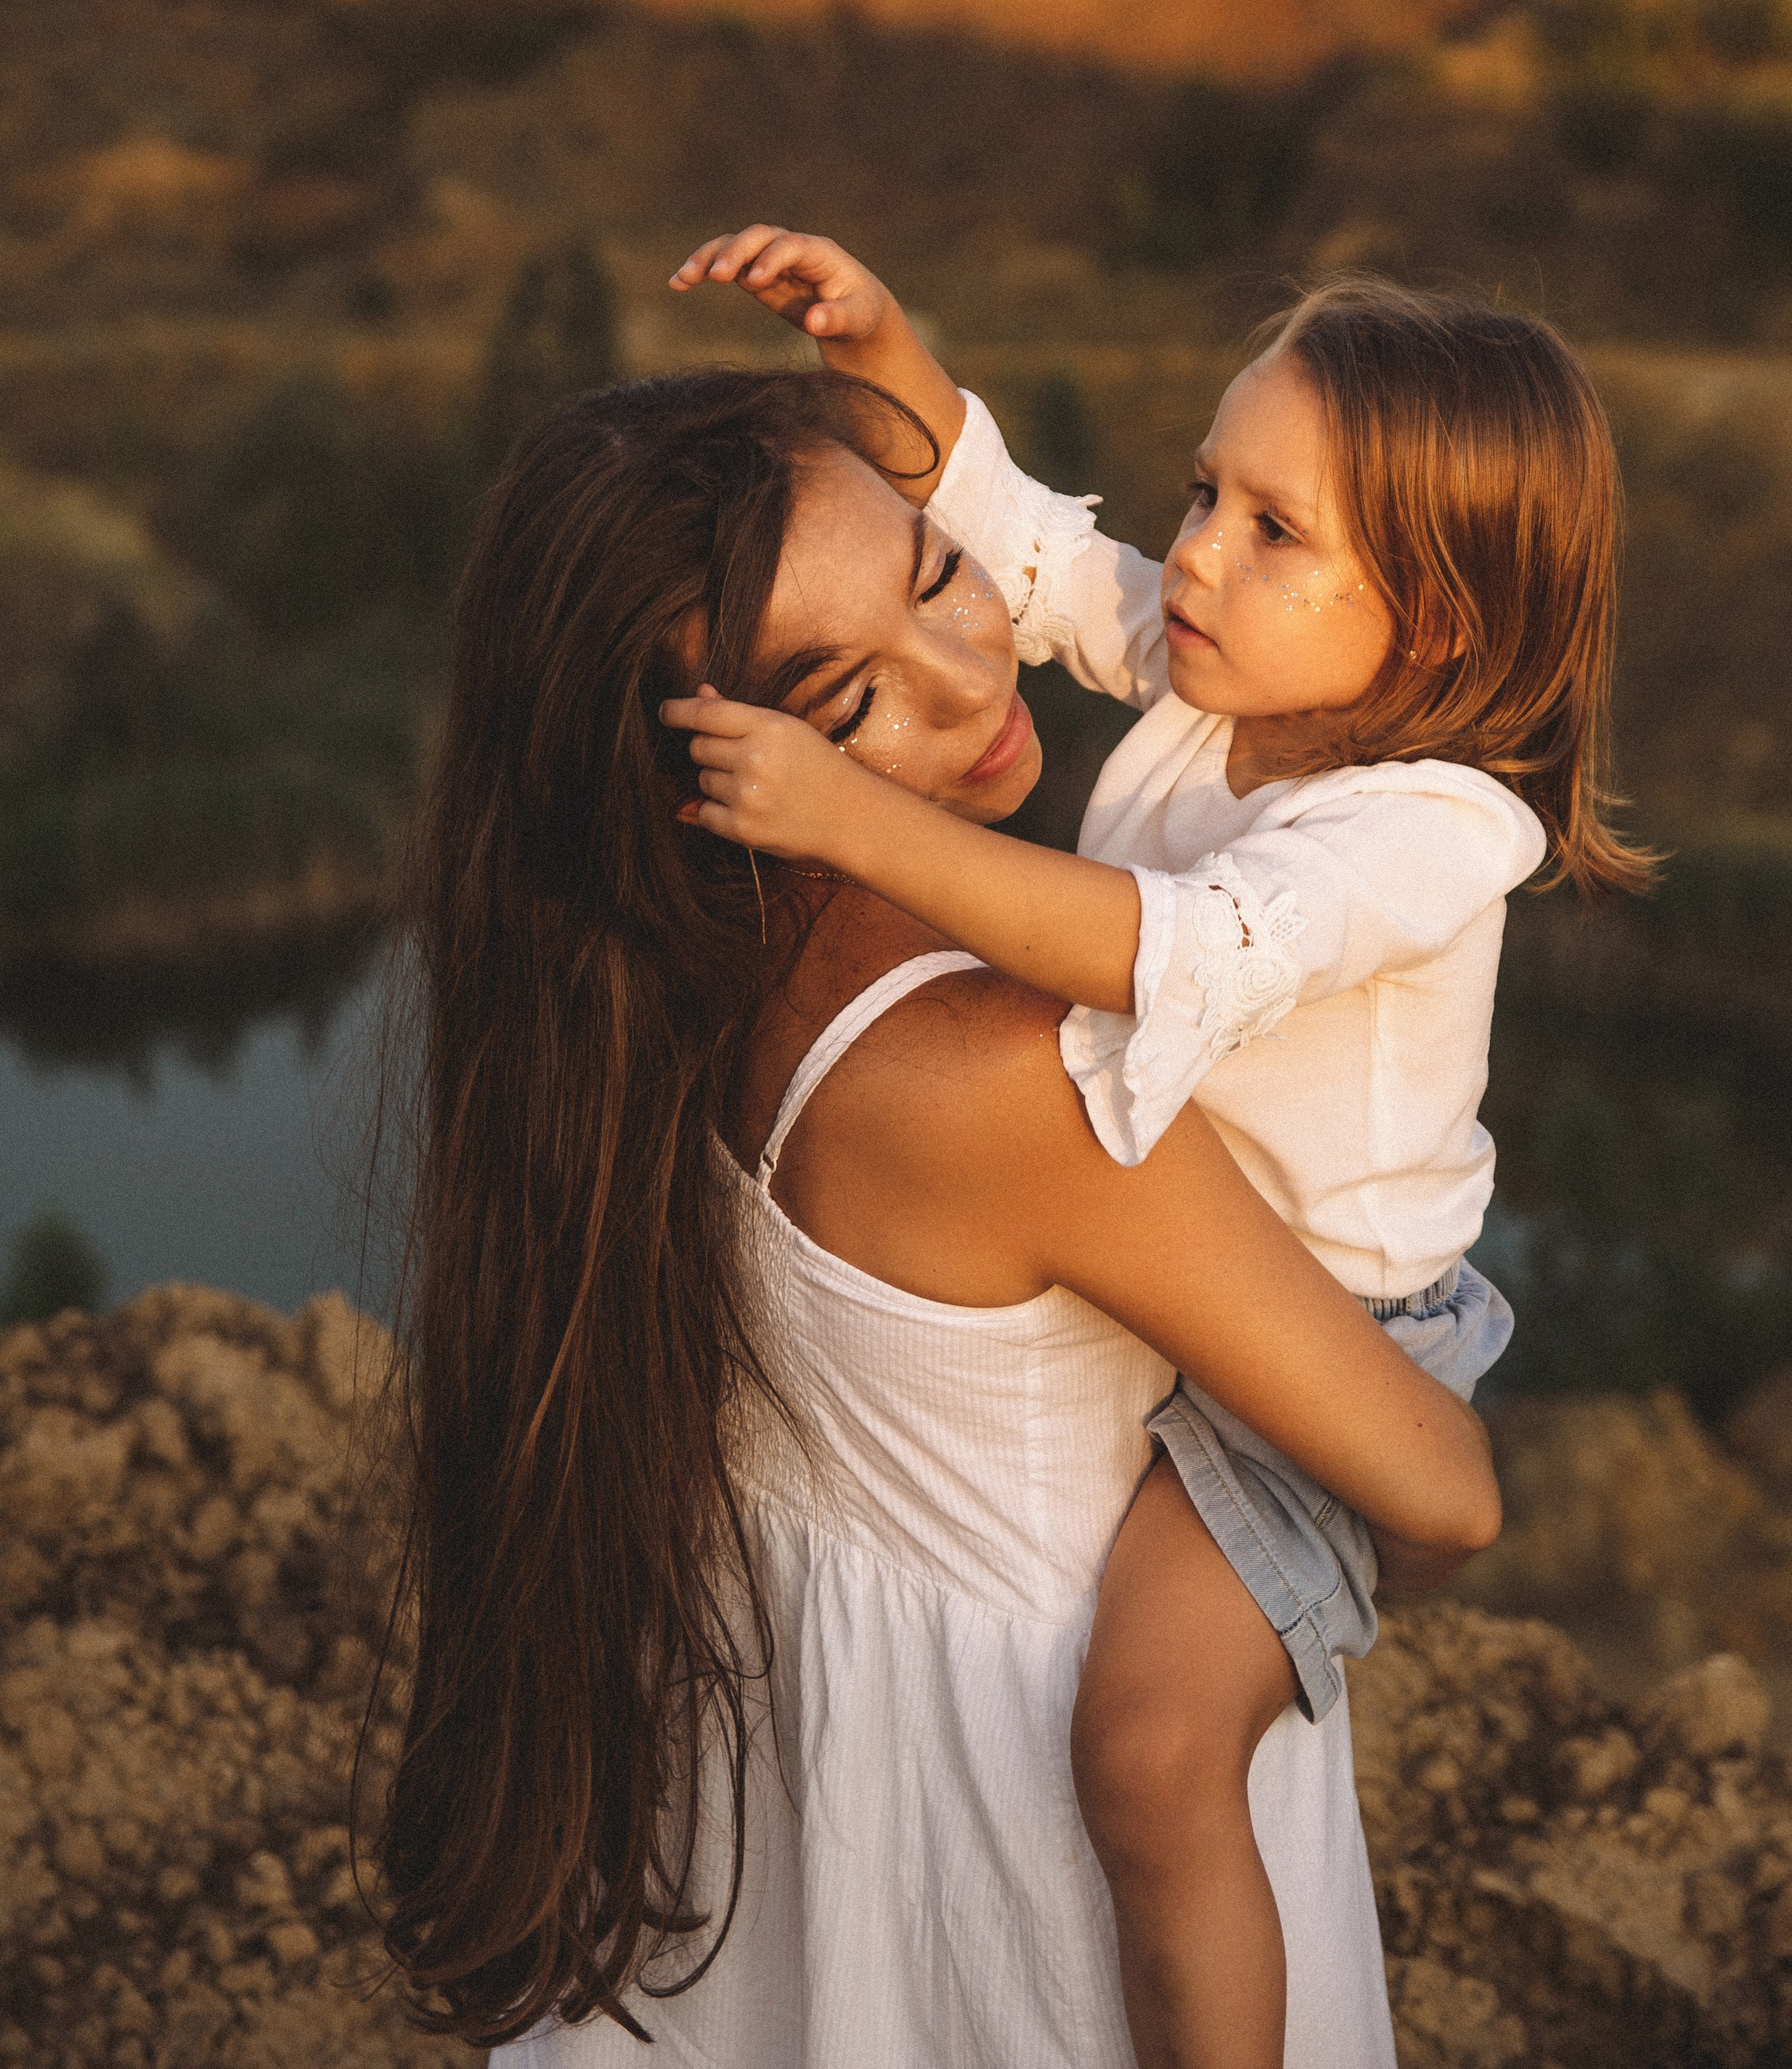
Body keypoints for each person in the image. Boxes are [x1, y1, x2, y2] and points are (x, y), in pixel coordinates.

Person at [377, 362, 1501, 2067]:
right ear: (713, 760)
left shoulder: (625, 986)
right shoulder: (1004, 1079)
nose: (972, 671)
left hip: (784, 1819)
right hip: (1027, 1877)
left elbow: (1056, 575)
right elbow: (1436, 1484)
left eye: (934, 574)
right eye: (845, 707)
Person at [665, 229, 1650, 2069]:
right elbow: (1025, 552)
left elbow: (1163, 954)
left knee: (1145, 1745)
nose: (1193, 552)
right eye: (1207, 489)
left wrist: (852, 822)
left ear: (1430, 622)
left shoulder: (1427, 832)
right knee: (1139, 1730)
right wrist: (883, 339)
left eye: (1272, 530)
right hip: (1193, 1275)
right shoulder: (1231, 674)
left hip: (1339, 1329)